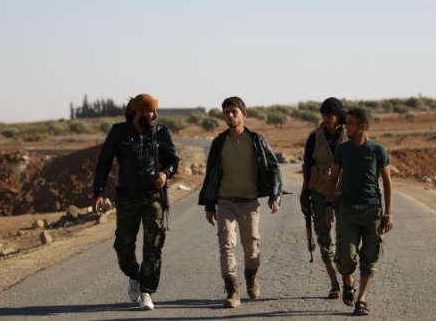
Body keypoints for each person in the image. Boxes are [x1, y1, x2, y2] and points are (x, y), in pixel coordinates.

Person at [93, 94, 179, 310]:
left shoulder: (161, 132)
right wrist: (99, 192)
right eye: (150, 111)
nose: (154, 115)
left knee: (154, 245)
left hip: (153, 198)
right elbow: (104, 163)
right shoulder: (118, 132)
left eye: (155, 111)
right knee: (123, 245)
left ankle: (147, 292)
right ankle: (134, 274)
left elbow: (172, 160)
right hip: (127, 198)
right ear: (137, 112)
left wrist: (165, 174)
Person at [198, 96, 283, 308]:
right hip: (225, 201)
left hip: (249, 202)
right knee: (226, 245)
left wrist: (275, 195)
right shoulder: (219, 143)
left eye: (234, 111)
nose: (230, 115)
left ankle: (251, 277)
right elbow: (211, 175)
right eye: (226, 112)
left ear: (244, 115)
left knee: (251, 248)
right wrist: (209, 205)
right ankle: (232, 290)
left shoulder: (256, 140)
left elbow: (273, 167)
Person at [325, 107, 394, 316]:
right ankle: (347, 281)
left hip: (372, 211)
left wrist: (388, 213)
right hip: (347, 211)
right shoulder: (342, 150)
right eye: (346, 124)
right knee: (346, 256)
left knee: (370, 257)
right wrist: (329, 205)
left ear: (363, 126)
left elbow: (388, 183)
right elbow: (333, 178)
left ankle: (361, 299)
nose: (346, 128)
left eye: (351, 124)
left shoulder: (378, 151)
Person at [299, 97, 346, 299]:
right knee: (324, 239)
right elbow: (307, 167)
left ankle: (348, 282)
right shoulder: (314, 137)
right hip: (318, 193)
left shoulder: (349, 135)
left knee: (346, 240)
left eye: (331, 115)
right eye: (324, 115)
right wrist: (304, 192)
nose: (327, 118)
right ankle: (334, 282)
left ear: (339, 116)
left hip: (345, 195)